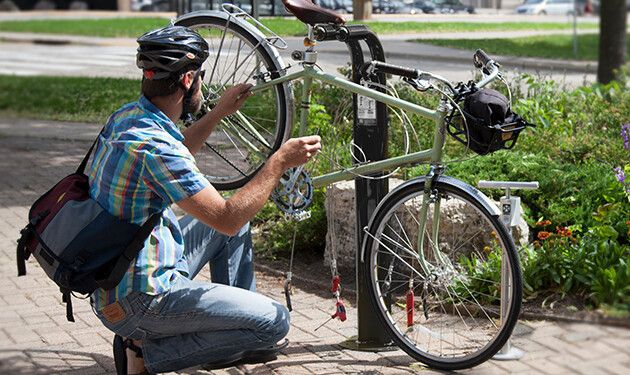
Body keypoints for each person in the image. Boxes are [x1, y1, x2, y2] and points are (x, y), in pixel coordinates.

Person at [88, 25, 321, 375]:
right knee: (273, 322)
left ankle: (231, 327)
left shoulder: (129, 118)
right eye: (200, 76)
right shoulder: (157, 149)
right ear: (186, 80)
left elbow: (178, 153)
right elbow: (226, 217)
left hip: (119, 277)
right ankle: (144, 353)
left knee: (234, 228)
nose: (202, 83)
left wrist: (217, 113)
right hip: (140, 300)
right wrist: (279, 161)